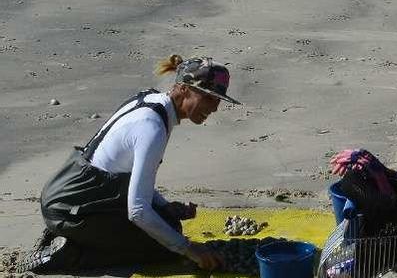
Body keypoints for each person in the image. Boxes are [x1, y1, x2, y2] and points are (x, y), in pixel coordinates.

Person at [17, 55, 242, 273]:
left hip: (71, 192)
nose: (214, 108)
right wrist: (189, 249)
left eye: (218, 100)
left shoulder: (151, 100)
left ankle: (73, 233)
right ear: (184, 89)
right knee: (163, 247)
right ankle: (68, 255)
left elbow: (130, 176)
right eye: (209, 98)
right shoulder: (152, 128)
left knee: (168, 223)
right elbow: (138, 211)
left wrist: (164, 206)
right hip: (72, 206)